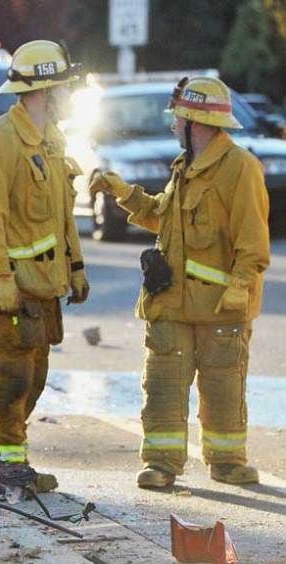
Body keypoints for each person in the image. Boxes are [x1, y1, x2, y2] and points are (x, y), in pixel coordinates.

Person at [90, 76, 269, 488]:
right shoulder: (184, 168)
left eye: (179, 119)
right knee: (163, 384)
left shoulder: (241, 169)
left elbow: (253, 241)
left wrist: (240, 285)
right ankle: (162, 464)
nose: (173, 125)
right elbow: (163, 219)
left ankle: (226, 462)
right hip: (171, 302)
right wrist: (124, 193)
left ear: (197, 122)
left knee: (222, 386)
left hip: (220, 307)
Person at [0, 40, 89, 493]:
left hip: (42, 287)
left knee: (34, 378)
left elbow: (63, 213)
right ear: (45, 91)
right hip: (11, 288)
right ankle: (0, 470)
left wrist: (76, 266)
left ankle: (8, 464)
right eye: (64, 87)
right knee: (8, 378)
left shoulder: (51, 141)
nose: (69, 95)